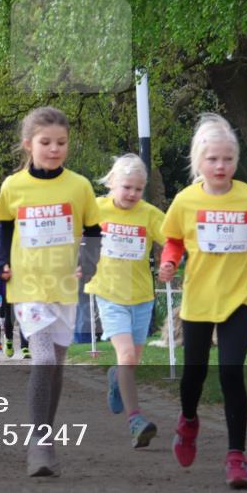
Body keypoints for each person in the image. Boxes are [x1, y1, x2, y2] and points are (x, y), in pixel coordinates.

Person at [159, 113, 247, 489]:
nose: (221, 166)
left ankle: (236, 456)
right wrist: (169, 261)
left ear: (237, 160)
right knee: (194, 375)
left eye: (228, 159)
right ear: (198, 161)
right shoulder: (185, 201)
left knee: (231, 373)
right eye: (213, 159)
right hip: (198, 302)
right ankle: (188, 421)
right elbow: (173, 240)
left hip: (237, 299)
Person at [0, 106, 101, 477]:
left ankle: (46, 437)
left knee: (56, 365)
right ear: (29, 144)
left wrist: (89, 262)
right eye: (46, 142)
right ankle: (38, 443)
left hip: (64, 286)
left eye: (61, 142)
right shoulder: (13, 186)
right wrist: (1, 263)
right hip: (28, 285)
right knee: (43, 360)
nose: (54, 149)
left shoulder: (79, 186)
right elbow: (4, 228)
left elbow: (93, 230)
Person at [84, 153, 166, 448]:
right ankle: (136, 421)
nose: (132, 194)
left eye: (138, 189)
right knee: (127, 356)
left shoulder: (150, 214)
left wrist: (169, 261)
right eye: (126, 187)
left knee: (130, 363)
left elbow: (173, 241)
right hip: (109, 295)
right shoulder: (96, 208)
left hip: (142, 297)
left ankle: (114, 377)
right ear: (111, 184)